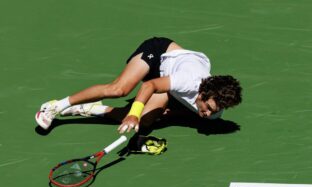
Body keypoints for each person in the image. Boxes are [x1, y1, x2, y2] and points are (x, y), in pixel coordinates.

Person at [35, 37, 242, 144]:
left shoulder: (215, 110)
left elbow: (190, 109)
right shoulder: (186, 81)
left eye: (214, 111)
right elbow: (149, 85)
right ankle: (56, 106)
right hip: (158, 54)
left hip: (167, 81)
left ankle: (91, 109)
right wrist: (132, 114)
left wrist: (166, 112)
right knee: (120, 89)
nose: (208, 114)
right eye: (207, 108)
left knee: (145, 122)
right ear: (203, 94)